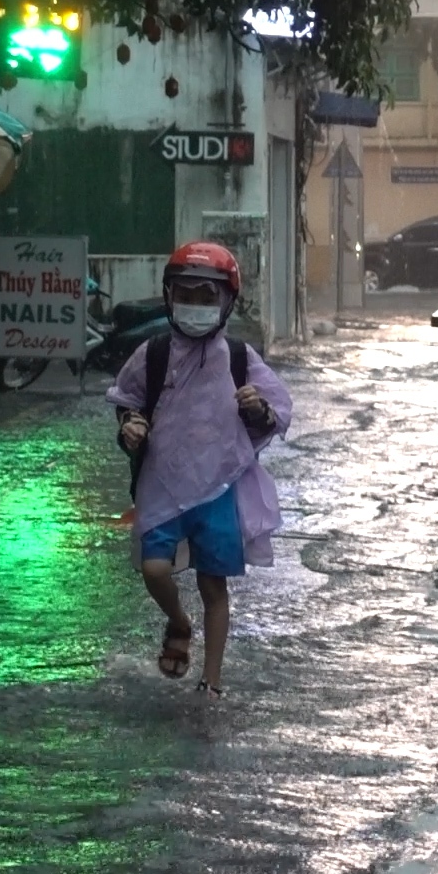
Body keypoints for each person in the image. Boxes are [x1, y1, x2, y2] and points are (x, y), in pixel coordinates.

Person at [107, 241, 293, 697]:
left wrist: (257, 408)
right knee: (154, 569)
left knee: (214, 585)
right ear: (169, 296)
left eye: (207, 296)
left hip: (217, 489)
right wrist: (129, 426)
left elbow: (275, 415)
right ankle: (178, 622)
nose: (196, 305)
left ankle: (211, 682)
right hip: (162, 484)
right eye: (186, 294)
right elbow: (127, 403)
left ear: (227, 301)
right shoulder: (151, 355)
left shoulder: (240, 358)